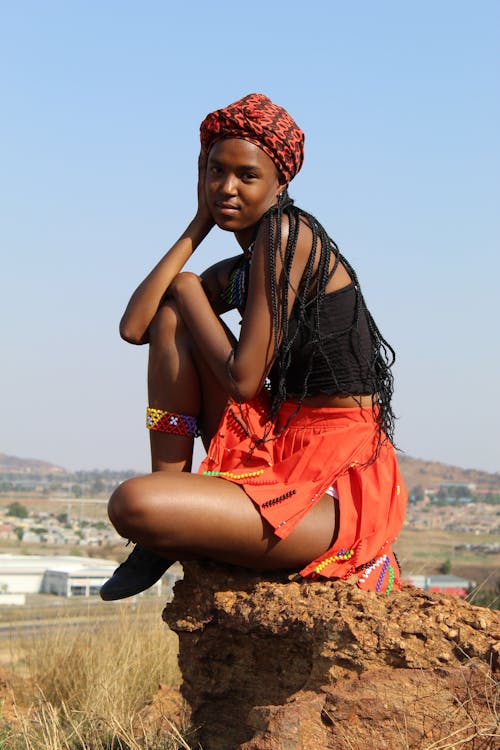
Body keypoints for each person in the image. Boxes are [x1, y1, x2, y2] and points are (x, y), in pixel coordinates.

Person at [100, 93, 407, 602]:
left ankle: (165, 522)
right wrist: (197, 226)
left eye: (246, 175)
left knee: (133, 506)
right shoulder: (247, 262)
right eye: (216, 172)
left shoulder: (287, 235)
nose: (227, 187)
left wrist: (189, 286)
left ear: (280, 183)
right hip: (276, 437)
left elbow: (243, 379)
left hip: (334, 473)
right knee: (175, 312)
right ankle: (165, 520)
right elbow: (136, 327)